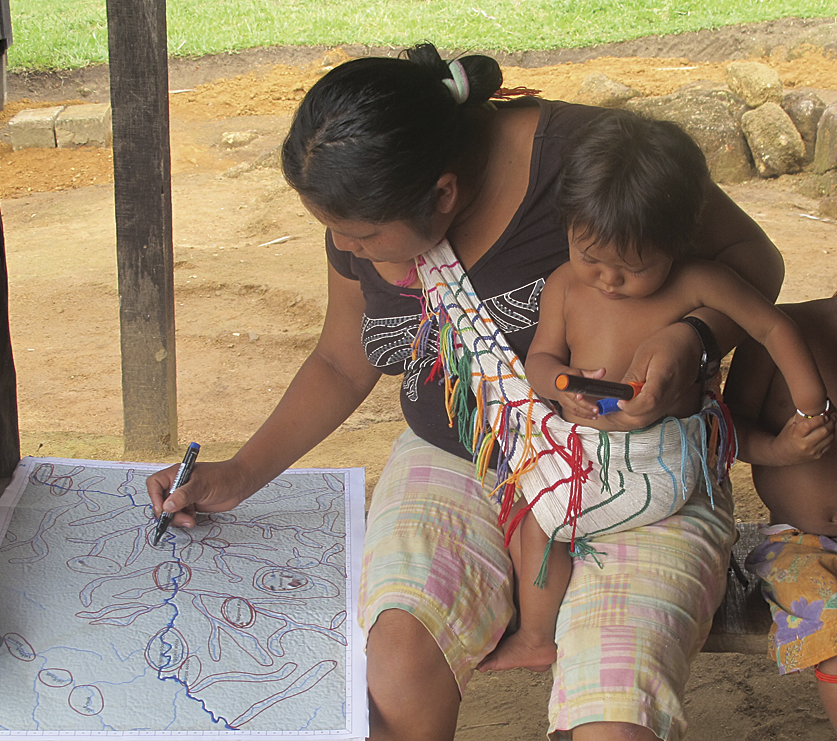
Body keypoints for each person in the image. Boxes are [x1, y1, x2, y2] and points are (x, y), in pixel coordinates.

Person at [147, 43, 785, 741]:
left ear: (444, 194)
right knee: (397, 656)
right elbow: (340, 357)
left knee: (614, 714)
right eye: (335, 234)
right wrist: (239, 473)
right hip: (459, 454)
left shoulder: (591, 159)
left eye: (361, 238)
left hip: (627, 465)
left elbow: (754, 262)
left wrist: (691, 336)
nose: (348, 250)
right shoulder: (361, 201)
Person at [481, 110, 831, 674]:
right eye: (590, 256)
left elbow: (773, 326)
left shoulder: (698, 281)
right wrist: (560, 393)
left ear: (678, 241)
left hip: (665, 455)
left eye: (633, 267)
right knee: (535, 516)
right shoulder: (565, 286)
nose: (608, 280)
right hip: (584, 447)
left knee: (562, 521)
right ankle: (537, 633)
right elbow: (542, 360)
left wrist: (812, 407)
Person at [724, 294, 837, 728]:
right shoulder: (781, 330)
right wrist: (781, 449)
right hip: (800, 543)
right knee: (832, 617)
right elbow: (728, 426)